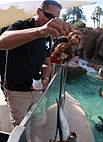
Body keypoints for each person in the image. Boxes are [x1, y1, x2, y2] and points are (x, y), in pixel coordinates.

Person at [0, 0, 72, 129]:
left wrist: (44, 78)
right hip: (16, 90)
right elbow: (2, 42)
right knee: (19, 129)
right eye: (48, 16)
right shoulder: (21, 26)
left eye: (55, 18)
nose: (51, 21)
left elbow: (47, 63)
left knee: (38, 121)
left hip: (36, 88)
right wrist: (40, 31)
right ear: (38, 11)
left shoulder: (48, 37)